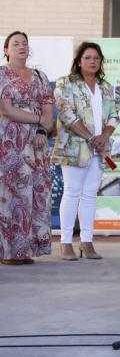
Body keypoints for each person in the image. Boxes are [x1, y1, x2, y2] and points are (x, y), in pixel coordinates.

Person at [52, 42, 119, 261]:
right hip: (74, 147)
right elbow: (67, 116)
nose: (93, 61)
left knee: (90, 195)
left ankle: (87, 242)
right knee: (72, 193)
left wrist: (104, 136)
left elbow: (114, 116)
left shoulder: (105, 86)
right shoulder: (66, 84)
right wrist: (91, 138)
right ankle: (65, 242)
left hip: (99, 149)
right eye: (88, 57)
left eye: (96, 58)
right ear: (79, 61)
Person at [0, 31, 55, 265]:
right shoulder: (2, 75)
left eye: (24, 43)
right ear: (6, 50)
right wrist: (37, 120)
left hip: (37, 146)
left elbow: (49, 112)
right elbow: (7, 110)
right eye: (15, 44)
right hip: (10, 145)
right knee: (12, 196)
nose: (21, 46)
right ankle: (9, 252)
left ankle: (26, 249)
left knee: (35, 195)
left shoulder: (40, 76)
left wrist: (43, 129)